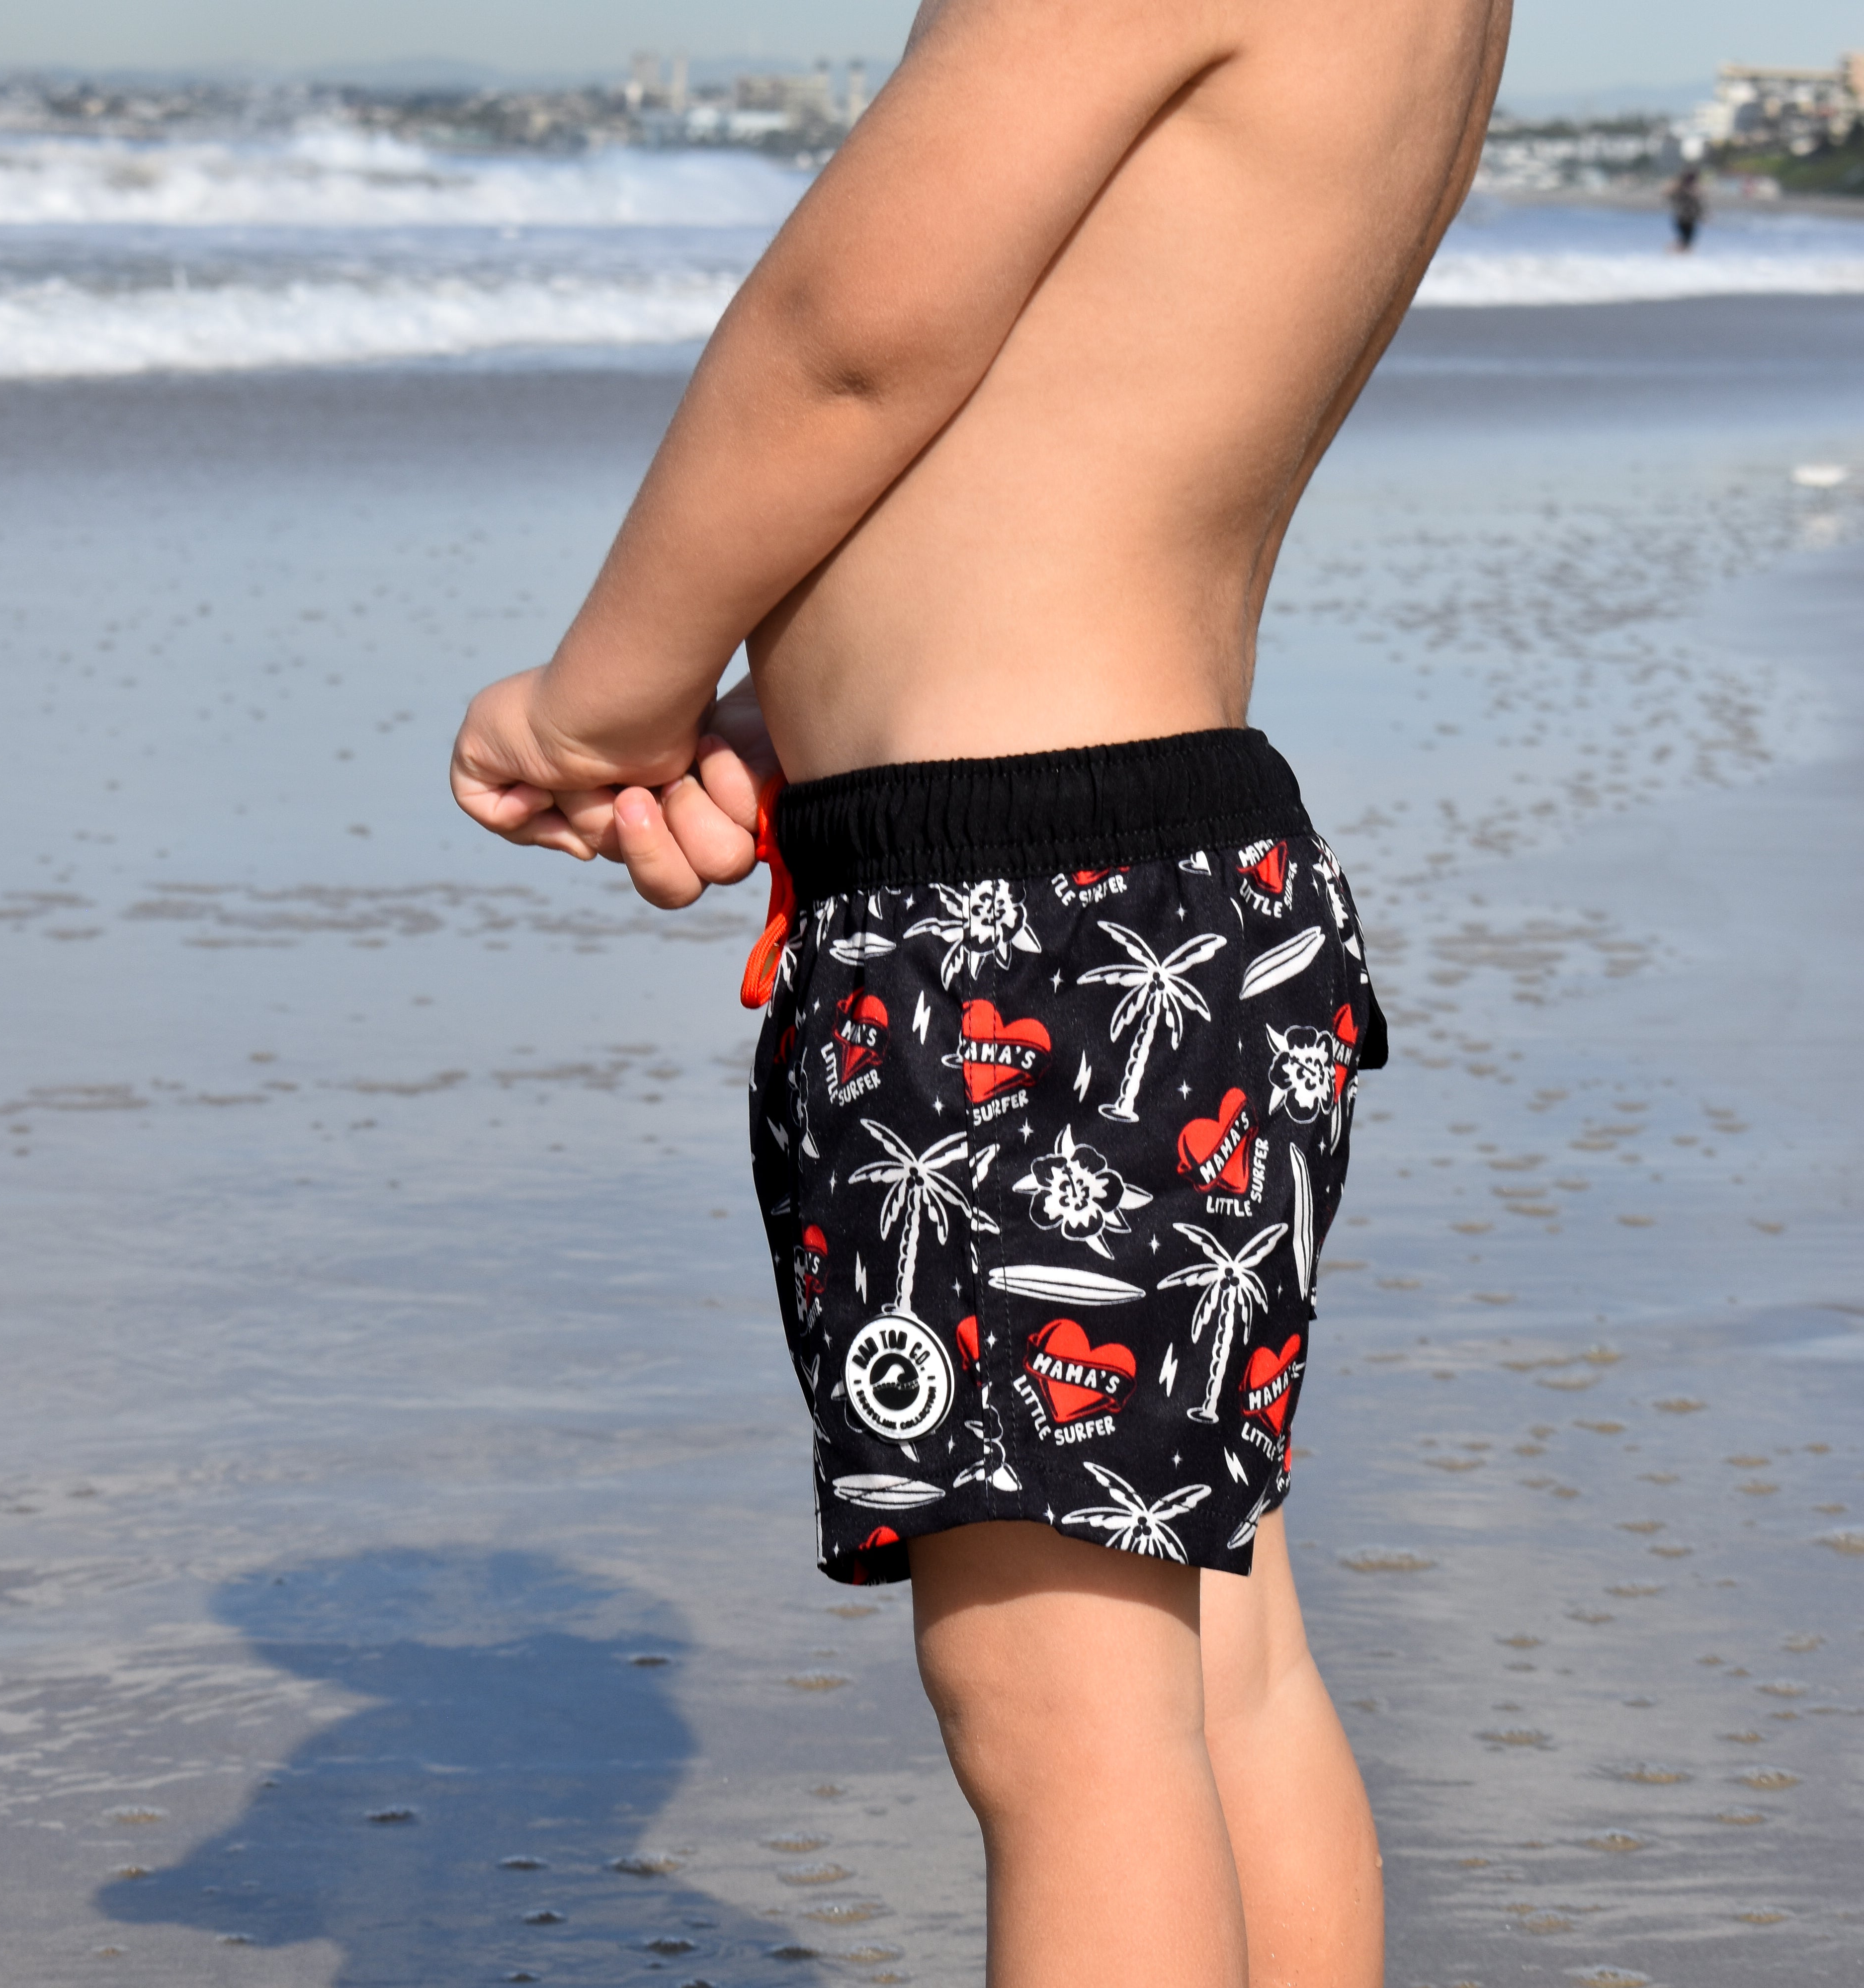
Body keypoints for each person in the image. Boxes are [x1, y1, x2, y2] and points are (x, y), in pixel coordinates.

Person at [450, 1, 1510, 1981]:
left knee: (1065, 1727)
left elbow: (853, 331)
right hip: (1182, 874)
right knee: (1216, 1662)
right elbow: (1110, 387)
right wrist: (821, 705)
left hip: (1008, 925)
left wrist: (614, 686)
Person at [1668, 166, 1705, 252]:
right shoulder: (1679, 188)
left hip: (1691, 218)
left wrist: (1702, 215)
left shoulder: (1696, 190)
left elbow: (1699, 205)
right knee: (1685, 240)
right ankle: (1675, 253)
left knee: (1688, 241)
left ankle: (1681, 255)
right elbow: (1670, 196)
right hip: (1682, 218)